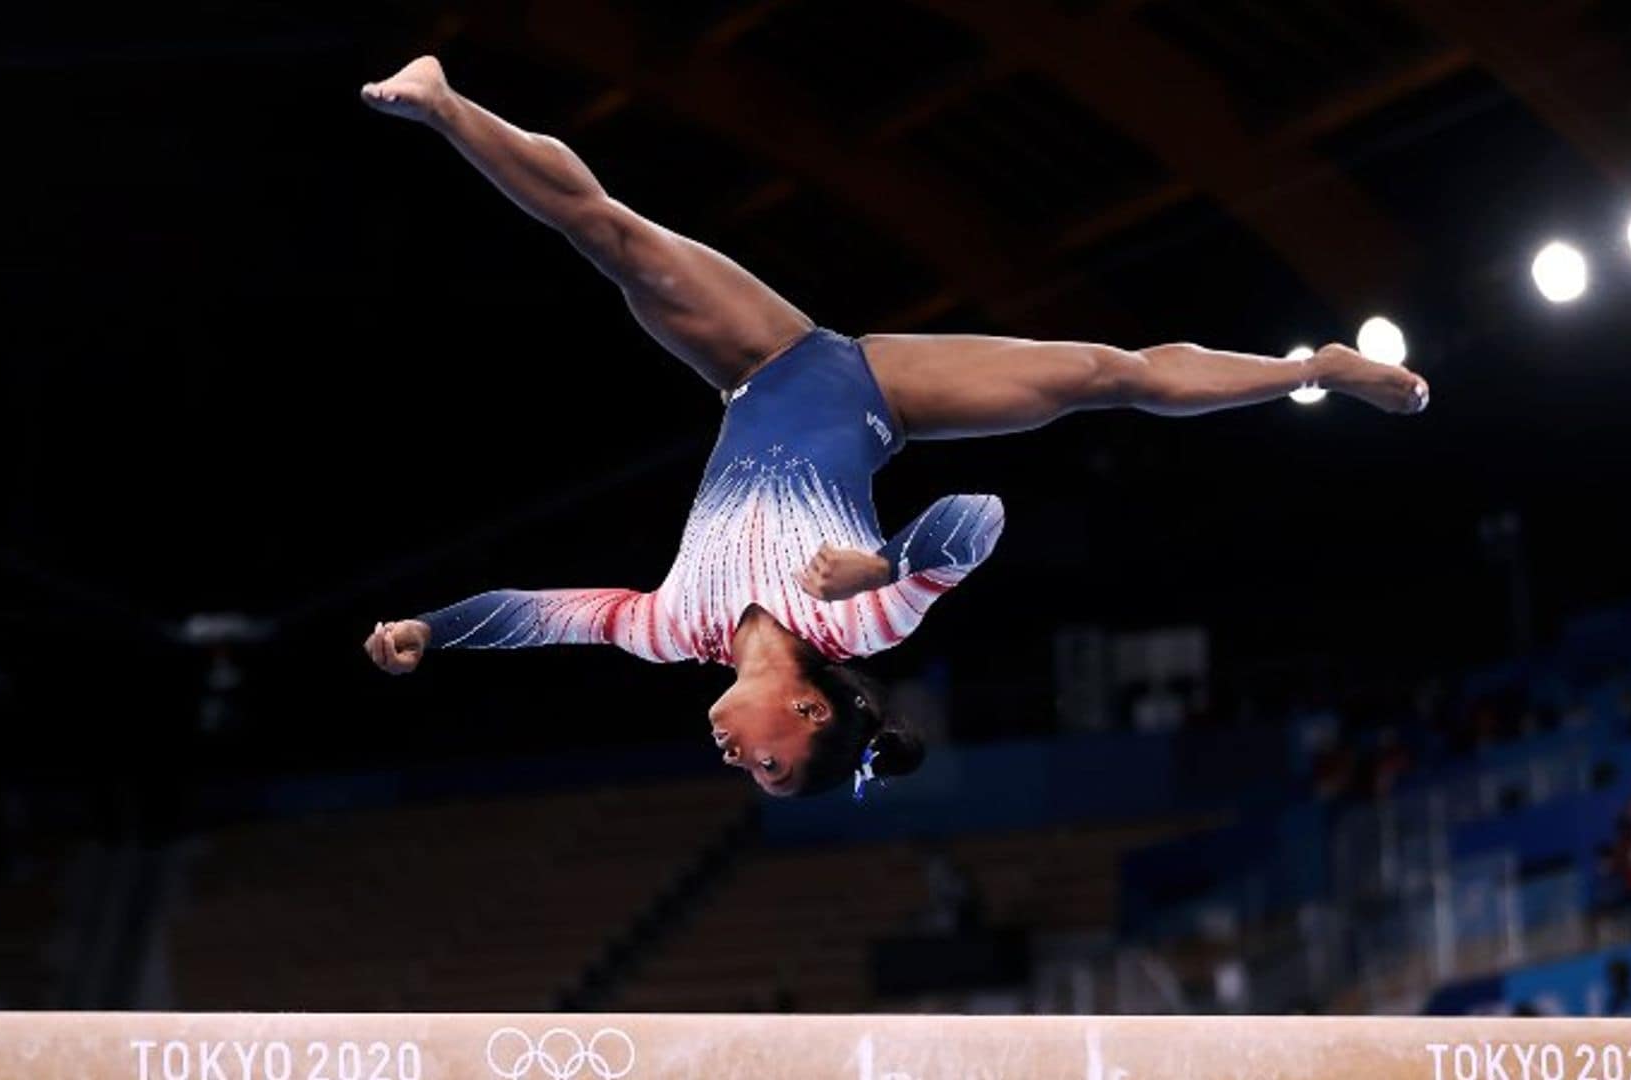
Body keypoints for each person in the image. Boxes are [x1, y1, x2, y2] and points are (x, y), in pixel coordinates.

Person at [356, 57, 1430, 798]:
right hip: (882, 395)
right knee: (1108, 372)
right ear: (814, 720)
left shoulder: (673, 630)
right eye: (770, 767)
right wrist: (881, 567)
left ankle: (443, 108)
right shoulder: (856, 631)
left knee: (618, 242)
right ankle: (1316, 369)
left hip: (759, 364)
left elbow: (539, 616)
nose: (741, 763)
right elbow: (977, 518)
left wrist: (433, 629)